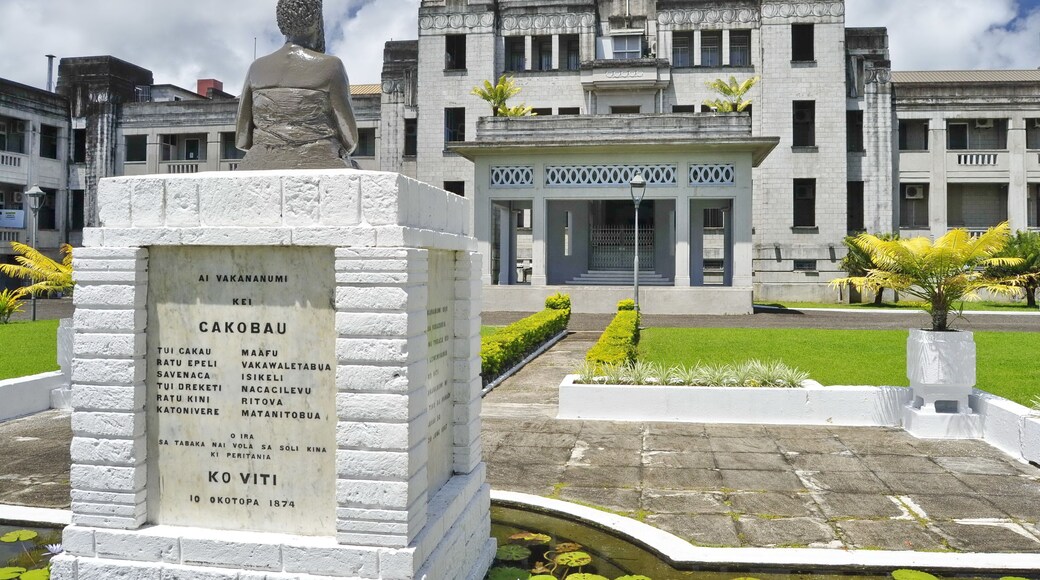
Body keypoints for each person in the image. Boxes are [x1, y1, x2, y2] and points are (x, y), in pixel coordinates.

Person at [235, 0, 358, 170]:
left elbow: (242, 140)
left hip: (260, 161)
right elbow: (350, 140)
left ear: (281, 22)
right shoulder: (331, 66)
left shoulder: (256, 68)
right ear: (317, 20)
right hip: (320, 160)